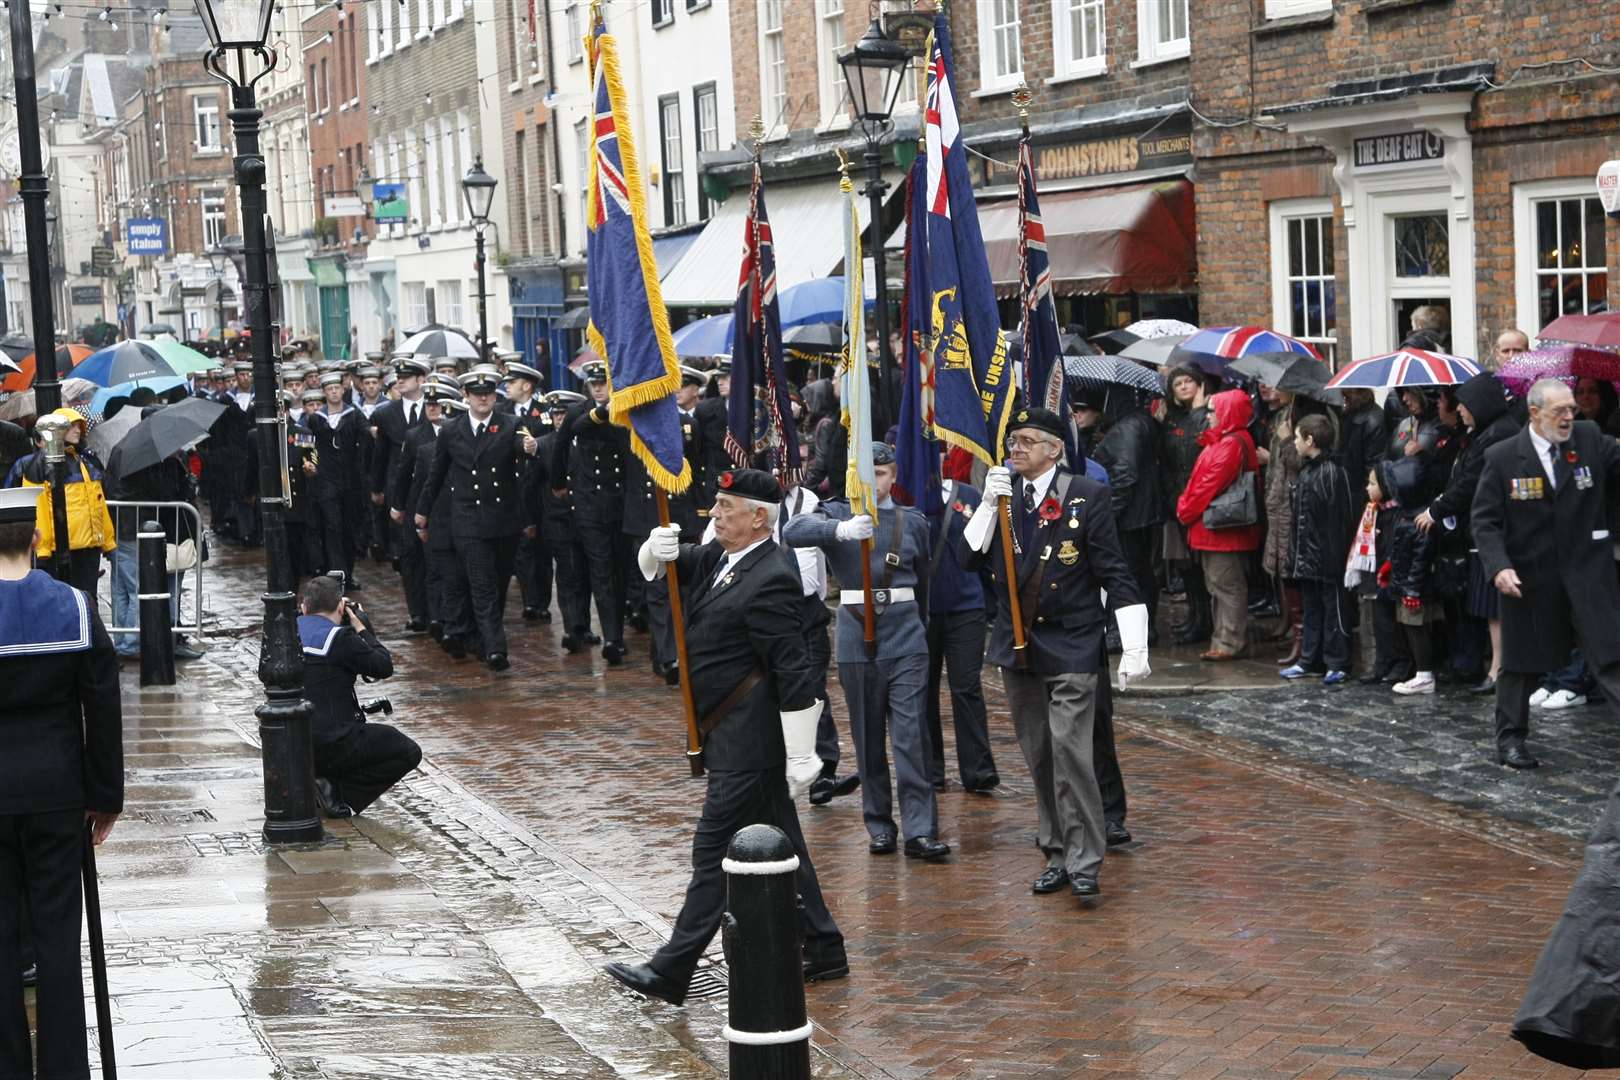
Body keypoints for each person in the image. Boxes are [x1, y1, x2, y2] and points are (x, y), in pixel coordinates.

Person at [606, 467, 845, 1006]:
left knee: (713, 851)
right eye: (715, 504)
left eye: (725, 507)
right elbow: (669, 566)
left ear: (758, 517)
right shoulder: (724, 558)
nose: (713, 514)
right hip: (730, 734)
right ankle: (825, 946)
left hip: (750, 741)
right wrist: (654, 546)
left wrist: (804, 750)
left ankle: (672, 969)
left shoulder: (771, 575)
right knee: (786, 841)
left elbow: (793, 668)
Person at [960, 408, 1149, 898]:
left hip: (1072, 642)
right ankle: (1057, 851)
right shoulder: (1003, 496)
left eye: (1026, 440)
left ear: (1055, 448)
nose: (1015, 449)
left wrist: (1134, 643)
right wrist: (985, 504)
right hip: (1017, 645)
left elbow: (1114, 572)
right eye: (1012, 441)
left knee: (1070, 750)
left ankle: (1086, 860)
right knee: (1040, 754)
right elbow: (965, 559)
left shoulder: (1087, 496)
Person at [0, 485, 122, 1080]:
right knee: (56, 942)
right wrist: (105, 796)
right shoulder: (74, 606)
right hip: (56, 793)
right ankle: (67, 1068)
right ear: (38, 539)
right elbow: (101, 707)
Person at [784, 443, 949, 861]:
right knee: (868, 734)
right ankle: (879, 825)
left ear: (893, 477)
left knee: (911, 736)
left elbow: (924, 584)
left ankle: (919, 830)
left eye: (880, 473)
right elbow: (793, 531)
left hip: (906, 634)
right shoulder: (836, 514)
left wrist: (918, 628)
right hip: (857, 635)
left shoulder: (911, 520)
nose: (872, 482)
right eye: (865, 473)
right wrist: (839, 531)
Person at [1472, 379, 1620, 769]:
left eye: (1572, 408)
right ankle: (1511, 740)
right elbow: (1484, 521)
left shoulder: (1589, 439)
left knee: (1610, 656)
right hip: (1530, 578)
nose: (1570, 416)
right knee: (1519, 664)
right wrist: (1499, 566)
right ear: (1535, 413)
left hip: (1587, 572)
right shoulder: (1503, 457)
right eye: (1560, 411)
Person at [416, 366, 537, 671]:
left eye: (489, 394)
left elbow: (521, 443)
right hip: (468, 520)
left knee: (497, 583)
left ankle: (479, 639)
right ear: (466, 396)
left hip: (504, 521)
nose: (484, 399)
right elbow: (436, 474)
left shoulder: (510, 424)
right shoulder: (452, 430)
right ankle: (496, 649)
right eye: (477, 394)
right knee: (482, 584)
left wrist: (528, 447)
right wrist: (422, 511)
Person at [1415, 371, 1520, 695]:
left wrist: (1436, 510)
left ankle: (1500, 669)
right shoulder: (1485, 434)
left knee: (1497, 609)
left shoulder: (1497, 435)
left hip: (1500, 534)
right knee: (1491, 610)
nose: (1459, 410)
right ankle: (1497, 668)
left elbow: (1471, 482)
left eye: (1464, 404)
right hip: (1483, 532)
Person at [298, 573, 420, 818]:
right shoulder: (341, 638)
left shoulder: (286, 632)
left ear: (303, 607)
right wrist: (362, 627)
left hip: (292, 744)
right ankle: (341, 795)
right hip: (333, 742)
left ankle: (325, 780)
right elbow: (383, 666)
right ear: (341, 606)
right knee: (407, 751)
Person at [923, 462, 999, 794]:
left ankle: (978, 771)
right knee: (922, 691)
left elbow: (983, 548)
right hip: (922, 610)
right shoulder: (907, 499)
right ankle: (931, 770)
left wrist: (991, 602)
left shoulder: (968, 494)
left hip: (966, 606)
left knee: (966, 687)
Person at [1176, 390, 1264, 661]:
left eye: (1214, 410)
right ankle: (1224, 639)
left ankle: (1230, 642)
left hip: (1222, 531)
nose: (1209, 415)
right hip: (1216, 530)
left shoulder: (1231, 444)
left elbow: (1207, 485)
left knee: (1226, 585)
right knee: (1220, 584)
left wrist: (1185, 509)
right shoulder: (1227, 441)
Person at [1072, 387, 1163, 645]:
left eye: (1083, 409)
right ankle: (1135, 630)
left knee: (1129, 573)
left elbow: (1125, 476)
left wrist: (1106, 515)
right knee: (1136, 572)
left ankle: (1129, 632)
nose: (1077, 415)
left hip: (1130, 517)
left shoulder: (1126, 428)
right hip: (1137, 514)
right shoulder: (1128, 424)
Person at [550, 362, 626, 662]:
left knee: (619, 570)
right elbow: (560, 447)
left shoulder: (623, 410)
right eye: (593, 383)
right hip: (588, 502)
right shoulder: (577, 412)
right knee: (601, 570)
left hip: (619, 501)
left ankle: (617, 631)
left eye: (602, 382)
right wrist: (558, 484)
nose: (597, 387)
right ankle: (613, 638)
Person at [1279, 414, 1356, 685]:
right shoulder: (1308, 470)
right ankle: (1310, 660)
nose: (1295, 443)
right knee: (1312, 610)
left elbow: (1340, 520)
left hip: (1327, 559)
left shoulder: (1332, 473)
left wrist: (1335, 559)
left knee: (1334, 611)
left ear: (1310, 440)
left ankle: (1338, 662)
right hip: (1308, 557)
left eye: (1298, 438)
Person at [17, 408, 116, 598]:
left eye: (79, 426)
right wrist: (44, 549)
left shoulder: (86, 461)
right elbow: (40, 509)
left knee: (87, 600)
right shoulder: (40, 465)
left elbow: (98, 503)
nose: (77, 430)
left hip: (88, 547)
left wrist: (108, 541)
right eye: (72, 426)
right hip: (60, 550)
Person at [371, 358, 431, 632]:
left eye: (407, 376)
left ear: (421, 380)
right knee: (409, 555)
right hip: (402, 493)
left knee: (435, 553)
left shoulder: (435, 408)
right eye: (398, 376)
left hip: (431, 490)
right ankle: (417, 612)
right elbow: (380, 455)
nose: (400, 380)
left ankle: (438, 611)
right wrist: (378, 489)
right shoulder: (386, 414)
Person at [1158, 367, 1212, 644]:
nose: (1183, 387)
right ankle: (1195, 616)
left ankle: (1205, 621)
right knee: (1186, 566)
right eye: (1177, 383)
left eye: (1188, 381)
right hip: (1176, 499)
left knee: (1203, 566)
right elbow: (1166, 461)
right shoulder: (1171, 419)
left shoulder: (1206, 416)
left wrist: (1199, 412)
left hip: (1201, 500)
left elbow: (1202, 447)